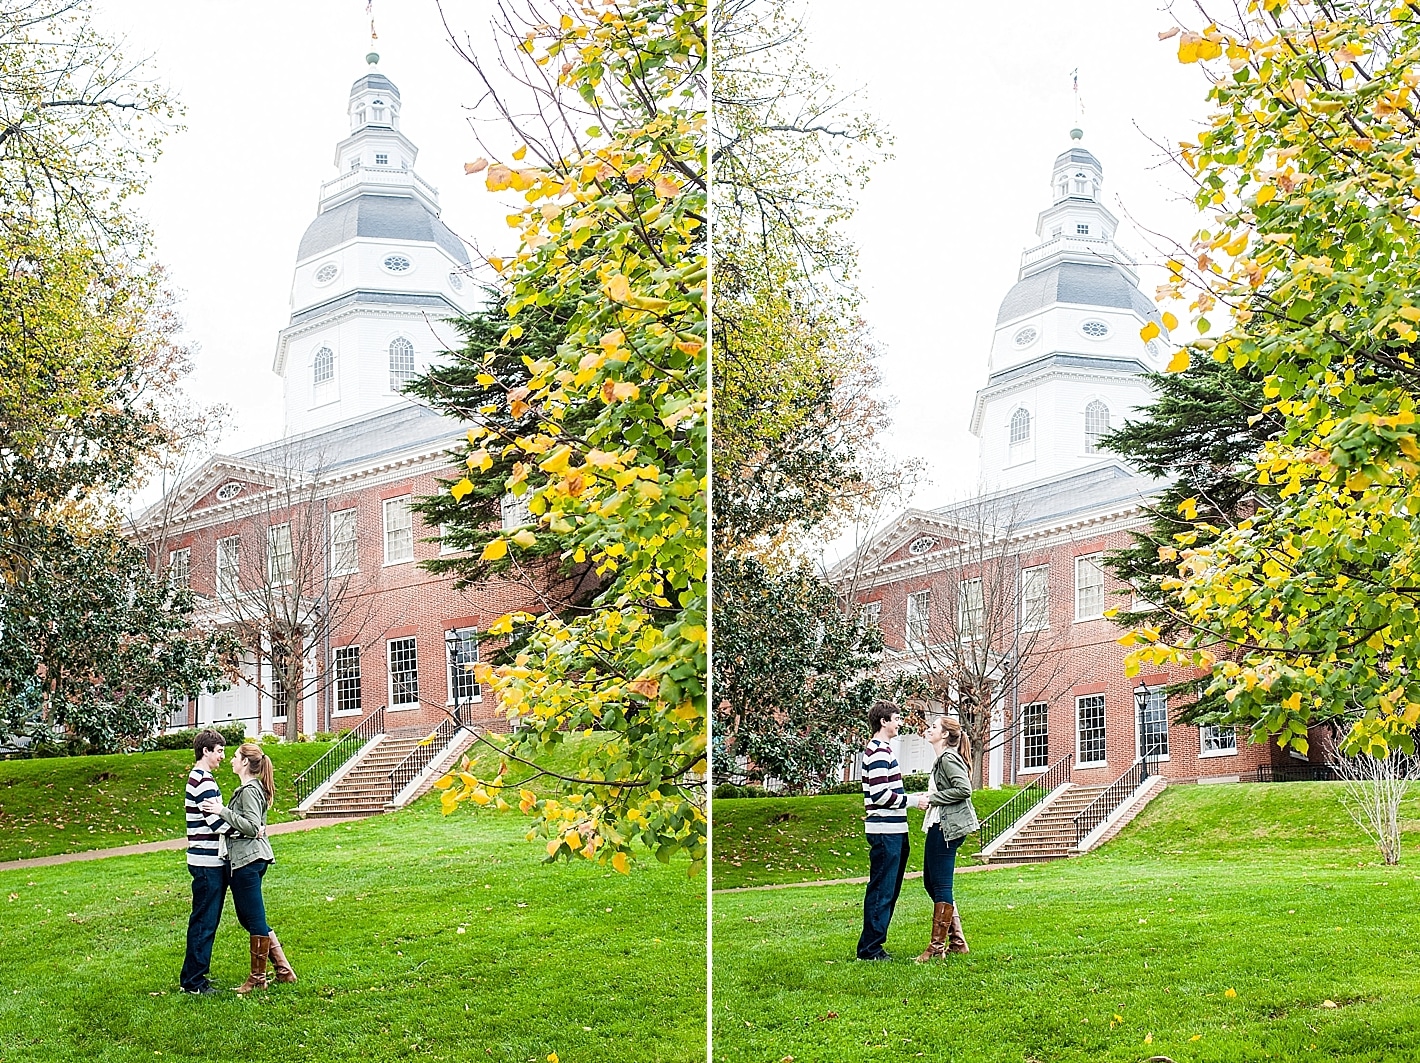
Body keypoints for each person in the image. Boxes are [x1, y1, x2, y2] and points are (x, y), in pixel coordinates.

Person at [199, 742, 297, 993]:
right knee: (249, 917)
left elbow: (252, 826)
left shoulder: (249, 791)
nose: (230, 759)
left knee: (254, 918)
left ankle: (257, 978)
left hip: (248, 861)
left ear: (244, 762)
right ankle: (284, 971)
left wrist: (222, 811)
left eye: (234, 756)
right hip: (246, 860)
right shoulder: (248, 789)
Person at [857, 701, 925, 961]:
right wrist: (913, 800)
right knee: (882, 890)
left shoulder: (882, 751)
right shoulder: (877, 753)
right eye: (896, 718)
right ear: (883, 722)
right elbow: (879, 794)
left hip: (894, 830)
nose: (899, 723)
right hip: (885, 831)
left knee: (888, 889)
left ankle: (873, 945)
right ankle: (870, 949)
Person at [915, 715, 978, 961]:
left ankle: (936, 948)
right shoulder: (942, 759)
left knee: (940, 886)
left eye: (934, 727)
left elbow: (964, 789)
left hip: (946, 827)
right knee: (931, 884)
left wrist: (933, 798)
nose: (929, 730)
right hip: (939, 824)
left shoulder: (948, 758)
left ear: (944, 735)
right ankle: (958, 941)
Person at [180, 729, 229, 994]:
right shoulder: (203, 781)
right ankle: (194, 983)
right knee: (204, 921)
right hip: (207, 861)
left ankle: (194, 976)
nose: (223, 756)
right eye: (219, 750)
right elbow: (217, 823)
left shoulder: (199, 778)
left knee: (204, 919)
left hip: (205, 859)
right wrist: (248, 829)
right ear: (206, 751)